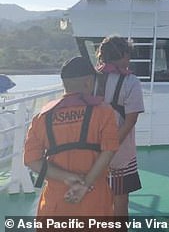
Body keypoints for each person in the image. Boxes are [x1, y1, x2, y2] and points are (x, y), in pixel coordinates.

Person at [24, 56, 119, 216]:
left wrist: (67, 177)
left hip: (55, 203)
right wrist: (84, 184)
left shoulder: (42, 116)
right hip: (94, 200)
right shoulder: (104, 111)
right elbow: (109, 151)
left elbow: (31, 161)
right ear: (89, 82)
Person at [96, 35, 145, 217]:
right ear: (124, 54)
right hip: (119, 153)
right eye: (128, 55)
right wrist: (110, 147)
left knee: (96, 198)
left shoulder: (92, 78)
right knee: (120, 199)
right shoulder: (131, 82)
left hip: (91, 149)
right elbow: (131, 120)